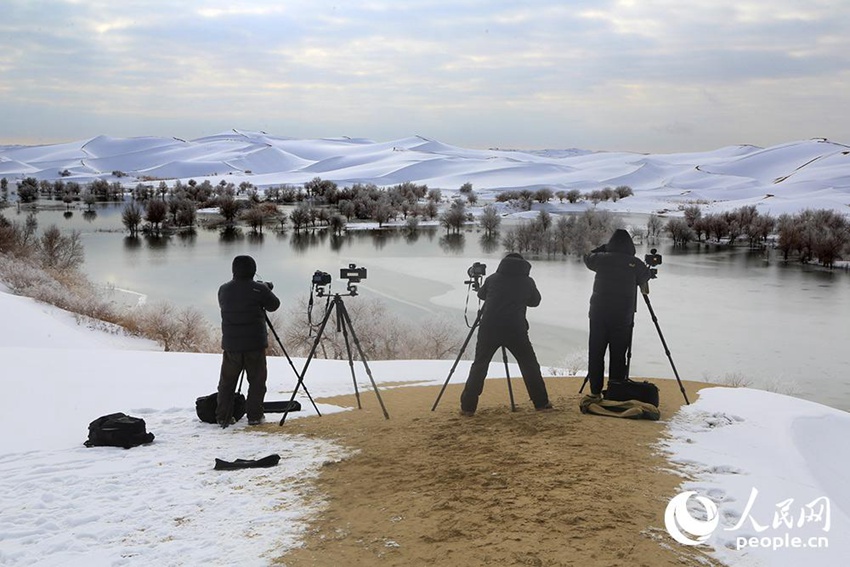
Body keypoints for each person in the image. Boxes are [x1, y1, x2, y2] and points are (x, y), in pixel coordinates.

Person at [460, 253, 551, 416]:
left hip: (489, 328)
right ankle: (541, 403)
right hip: (515, 330)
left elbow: (481, 295)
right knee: (529, 365)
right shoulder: (527, 282)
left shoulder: (492, 279)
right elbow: (535, 301)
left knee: (480, 365)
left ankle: (468, 407)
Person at [583, 229, 653, 397]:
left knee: (596, 353)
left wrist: (604, 249)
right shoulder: (635, 263)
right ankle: (615, 390)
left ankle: (594, 391)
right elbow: (646, 277)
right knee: (618, 354)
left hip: (598, 315)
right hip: (622, 317)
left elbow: (587, 257)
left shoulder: (601, 259)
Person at [217, 255, 281, 427]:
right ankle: (254, 416)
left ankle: (223, 416)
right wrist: (265, 288)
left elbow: (237, 298)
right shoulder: (259, 290)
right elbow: (274, 305)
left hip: (231, 346)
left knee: (227, 383)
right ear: (253, 270)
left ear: (234, 270)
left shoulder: (224, 289)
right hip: (255, 345)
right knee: (257, 382)